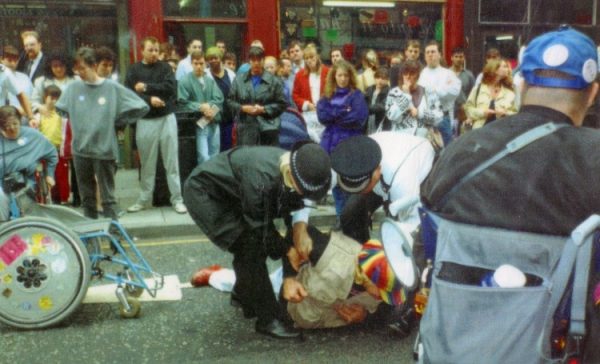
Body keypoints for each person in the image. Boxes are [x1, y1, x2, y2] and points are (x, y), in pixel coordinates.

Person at [420, 26, 600, 362]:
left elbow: (426, 237)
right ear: (592, 94)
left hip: (448, 343)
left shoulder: (462, 150)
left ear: (520, 85)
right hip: (555, 345)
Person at [183, 142, 332, 339]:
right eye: (303, 190)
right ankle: (268, 319)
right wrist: (288, 250)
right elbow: (261, 231)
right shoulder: (261, 179)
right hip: (207, 195)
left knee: (250, 246)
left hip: (235, 192)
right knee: (249, 246)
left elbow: (292, 220)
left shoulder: (299, 170)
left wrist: (293, 255)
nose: (306, 196)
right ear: (291, 174)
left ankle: (243, 293)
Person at [56, 47, 149, 220]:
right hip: (80, 150)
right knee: (87, 199)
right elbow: (61, 109)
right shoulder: (73, 88)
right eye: (77, 69)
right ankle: (93, 239)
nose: (80, 72)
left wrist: (119, 120)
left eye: (83, 68)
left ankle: (115, 238)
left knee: (108, 199)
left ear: (93, 65)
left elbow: (141, 106)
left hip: (104, 149)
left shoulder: (112, 87)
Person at [283, 226, 405, 329]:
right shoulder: (334, 252)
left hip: (315, 332)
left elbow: (385, 316)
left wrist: (365, 317)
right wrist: (289, 278)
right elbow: (295, 232)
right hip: (288, 307)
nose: (382, 297)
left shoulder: (392, 290)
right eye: (382, 290)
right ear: (369, 276)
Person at [332, 132, 435, 244]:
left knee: (396, 231)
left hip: (420, 173)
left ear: (377, 171)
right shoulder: (356, 153)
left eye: (362, 188)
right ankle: (362, 252)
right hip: (384, 172)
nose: (358, 193)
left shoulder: (403, 184)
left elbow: (410, 228)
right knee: (350, 213)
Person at [124, 36, 186, 214]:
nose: (154, 53)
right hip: (145, 120)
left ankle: (177, 199)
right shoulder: (134, 70)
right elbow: (129, 95)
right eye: (150, 50)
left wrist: (146, 88)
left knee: (171, 161)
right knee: (147, 163)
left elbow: (170, 88)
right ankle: (143, 199)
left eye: (156, 50)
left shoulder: (165, 67)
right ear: (142, 50)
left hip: (167, 118)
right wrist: (150, 100)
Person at [316, 60, 368, 223]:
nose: (343, 79)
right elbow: (322, 116)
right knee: (336, 184)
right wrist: (344, 112)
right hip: (330, 144)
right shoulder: (327, 95)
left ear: (350, 76)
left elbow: (358, 118)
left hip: (350, 144)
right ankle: (340, 216)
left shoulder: (357, 95)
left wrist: (334, 115)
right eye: (339, 75)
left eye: (346, 75)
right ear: (334, 76)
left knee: (350, 183)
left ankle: (350, 218)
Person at [227, 46, 287, 146]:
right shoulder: (239, 80)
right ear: (249, 61)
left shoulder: (274, 81)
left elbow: (282, 104)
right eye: (253, 60)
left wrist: (264, 109)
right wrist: (242, 108)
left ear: (263, 61)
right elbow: (229, 102)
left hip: (268, 130)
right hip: (246, 130)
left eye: (259, 60)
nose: (256, 63)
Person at [0, 105, 57, 206]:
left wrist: (50, 174)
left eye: (15, 124)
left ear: (20, 121)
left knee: (23, 198)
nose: (12, 128)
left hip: (25, 181)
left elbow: (52, 154)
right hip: (1, 182)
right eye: (7, 126)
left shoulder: (33, 135)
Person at [177, 50, 224, 164]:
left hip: (213, 120)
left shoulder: (209, 80)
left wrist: (210, 108)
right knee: (203, 156)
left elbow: (220, 99)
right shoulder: (185, 81)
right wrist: (200, 107)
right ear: (191, 64)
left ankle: (213, 180)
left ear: (206, 64)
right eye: (196, 63)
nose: (199, 66)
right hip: (199, 123)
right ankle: (205, 181)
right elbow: (182, 103)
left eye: (201, 63)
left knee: (215, 154)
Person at [418, 41, 461, 146]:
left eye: (433, 51)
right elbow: (419, 96)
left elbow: (454, 91)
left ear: (440, 55)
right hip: (426, 120)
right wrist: (442, 88)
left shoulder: (448, 74)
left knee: (445, 152)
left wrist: (435, 89)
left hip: (443, 119)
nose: (430, 54)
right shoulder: (422, 74)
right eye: (427, 52)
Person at [35, 85, 70, 204]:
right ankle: (44, 199)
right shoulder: (39, 114)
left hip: (58, 149)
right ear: (45, 97)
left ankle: (62, 199)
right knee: (43, 175)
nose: (54, 100)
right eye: (51, 97)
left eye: (57, 98)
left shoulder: (61, 113)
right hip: (43, 151)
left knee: (61, 176)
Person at [463, 58, 517, 132]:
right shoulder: (478, 88)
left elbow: (517, 114)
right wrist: (483, 113)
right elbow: (468, 109)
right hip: (479, 133)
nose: (508, 69)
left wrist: (505, 114)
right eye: (504, 66)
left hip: (502, 134)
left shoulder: (510, 92)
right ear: (495, 70)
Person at [205, 47, 236, 151]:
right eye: (210, 59)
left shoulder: (231, 74)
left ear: (220, 58)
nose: (213, 60)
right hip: (212, 118)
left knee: (228, 148)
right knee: (213, 149)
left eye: (215, 58)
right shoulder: (205, 75)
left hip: (229, 118)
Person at [292, 45, 329, 112]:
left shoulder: (328, 72)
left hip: (326, 112)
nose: (309, 60)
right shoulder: (299, 75)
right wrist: (307, 104)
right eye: (306, 58)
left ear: (317, 57)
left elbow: (334, 91)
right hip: (308, 113)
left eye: (311, 57)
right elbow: (295, 95)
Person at [1, 45, 33, 115]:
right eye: (9, 60)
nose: (12, 63)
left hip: (22, 118)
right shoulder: (2, 75)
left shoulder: (25, 78)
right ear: (1, 59)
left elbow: (31, 99)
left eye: (15, 61)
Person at [449, 47, 475, 132]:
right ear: (451, 58)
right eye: (456, 56)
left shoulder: (469, 75)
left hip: (464, 114)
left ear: (464, 58)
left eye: (461, 57)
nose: (458, 59)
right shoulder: (445, 74)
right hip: (449, 112)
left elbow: (473, 94)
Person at [364, 66, 390, 134]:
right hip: (368, 122)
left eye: (383, 78)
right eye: (378, 78)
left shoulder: (389, 92)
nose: (380, 80)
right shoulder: (369, 89)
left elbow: (382, 106)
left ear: (387, 80)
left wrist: (364, 109)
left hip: (381, 124)